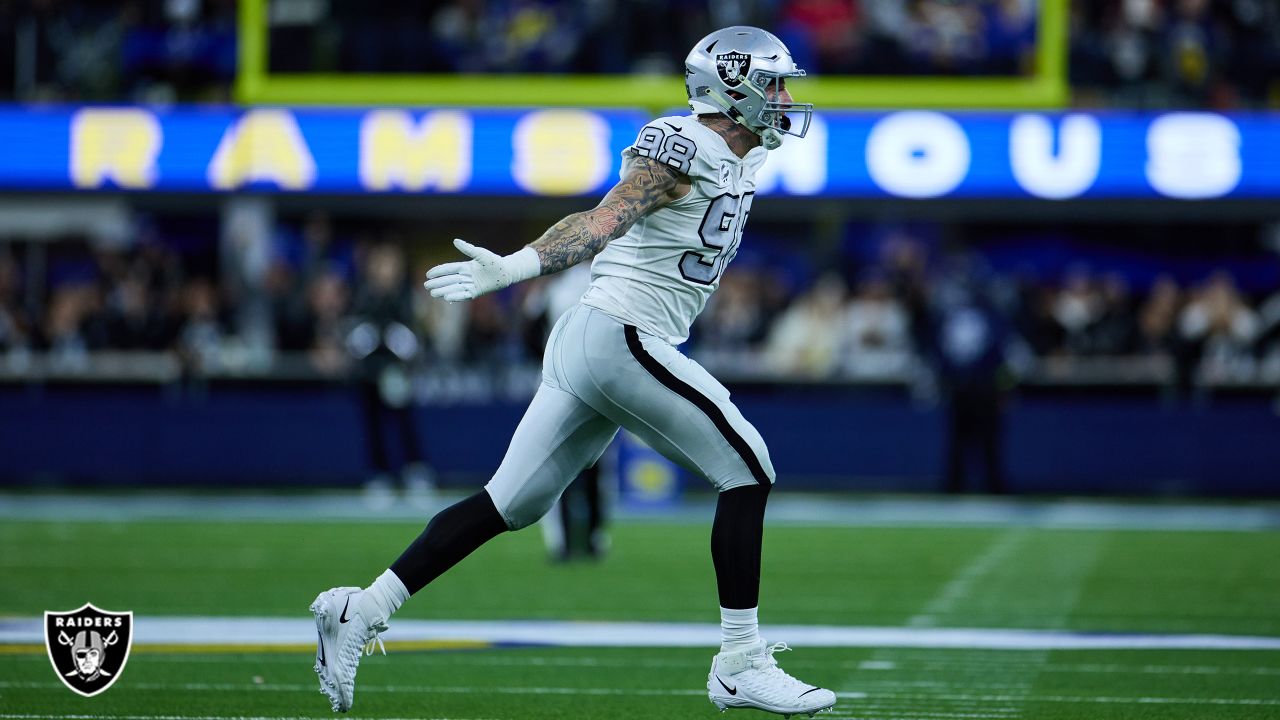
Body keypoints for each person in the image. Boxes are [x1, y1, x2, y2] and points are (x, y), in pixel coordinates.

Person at [310, 26, 837, 718]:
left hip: (596, 340)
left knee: (512, 503)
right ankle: (740, 660)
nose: (785, 98)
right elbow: (604, 219)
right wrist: (518, 266)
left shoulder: (741, 154)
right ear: (733, 89)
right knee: (749, 466)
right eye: (773, 84)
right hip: (620, 334)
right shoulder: (685, 146)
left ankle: (361, 606)